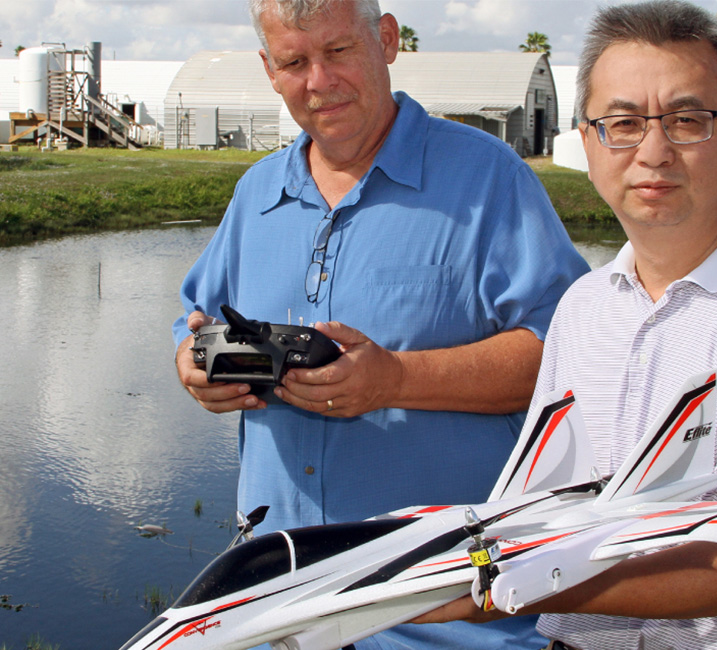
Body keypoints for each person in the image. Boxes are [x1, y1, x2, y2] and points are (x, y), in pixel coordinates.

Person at [415, 1, 717, 648]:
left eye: (686, 120)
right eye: (622, 122)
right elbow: (545, 501)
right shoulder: (584, 307)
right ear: (590, 144)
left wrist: (503, 583)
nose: (652, 151)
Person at [172, 0, 589, 648]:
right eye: (293, 61)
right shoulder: (256, 194)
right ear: (268, 70)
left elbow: (570, 358)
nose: (319, 80)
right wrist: (194, 366)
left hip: (446, 620)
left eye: (337, 51)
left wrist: (394, 378)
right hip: (277, 609)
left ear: (386, 40)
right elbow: (193, 316)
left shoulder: (488, 179)